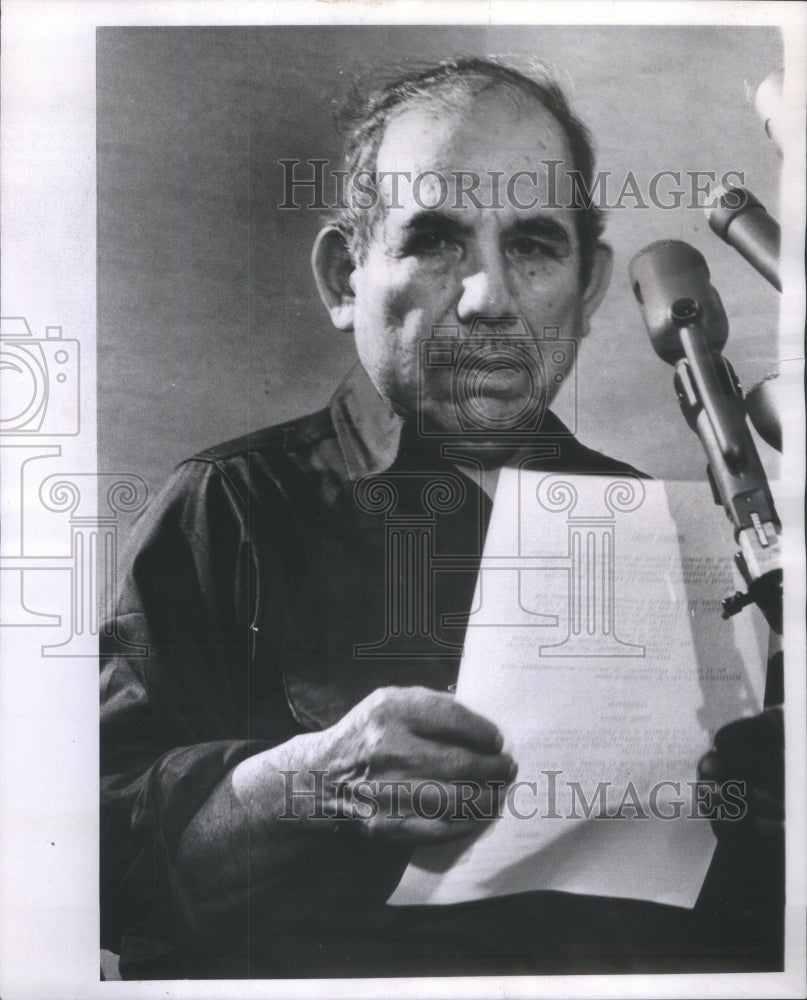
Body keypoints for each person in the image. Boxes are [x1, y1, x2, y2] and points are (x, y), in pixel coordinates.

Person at [100, 58, 783, 980]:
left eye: (533, 246)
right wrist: (308, 785)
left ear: (585, 291)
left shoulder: (677, 533)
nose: (488, 298)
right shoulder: (229, 506)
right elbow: (83, 865)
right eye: (436, 241)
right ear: (346, 277)